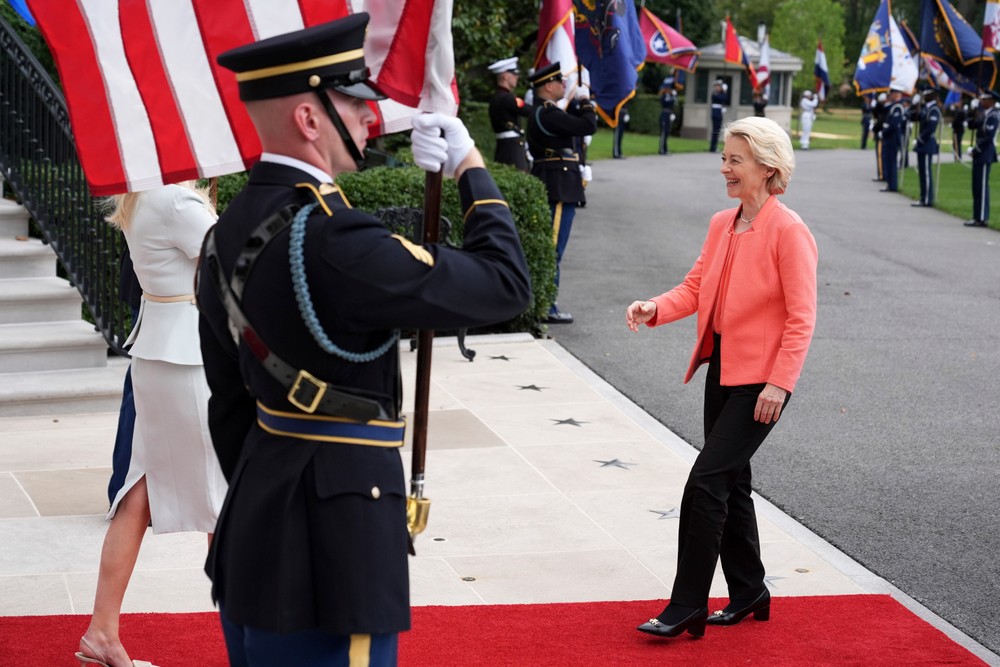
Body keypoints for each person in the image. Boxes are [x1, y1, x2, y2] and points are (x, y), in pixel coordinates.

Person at [197, 14, 531, 666]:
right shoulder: (335, 237)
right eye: (354, 103)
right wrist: (469, 165)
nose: (370, 119)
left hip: (256, 531)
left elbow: (228, 399)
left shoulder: (226, 228)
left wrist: (272, 493)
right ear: (308, 118)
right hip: (335, 550)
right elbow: (505, 282)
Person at [626, 116, 817, 640]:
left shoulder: (789, 230)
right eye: (725, 158)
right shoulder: (721, 224)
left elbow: (802, 317)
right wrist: (654, 307)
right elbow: (694, 287)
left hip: (763, 382)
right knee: (732, 483)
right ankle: (750, 589)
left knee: (706, 483)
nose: (725, 168)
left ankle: (687, 603)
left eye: (735, 159)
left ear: (767, 166)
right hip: (723, 368)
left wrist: (780, 383)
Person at [76, 182, 226, 667]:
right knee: (226, 496)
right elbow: (235, 261)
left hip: (162, 353)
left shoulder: (145, 195)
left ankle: (102, 631)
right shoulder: (175, 200)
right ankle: (250, 638)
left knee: (138, 490)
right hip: (188, 360)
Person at [526, 61, 598, 324]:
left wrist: (577, 103)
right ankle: (546, 306)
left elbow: (571, 122)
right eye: (560, 81)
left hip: (558, 181)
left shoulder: (547, 113)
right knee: (553, 248)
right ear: (548, 85)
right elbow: (587, 126)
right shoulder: (547, 113)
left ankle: (544, 302)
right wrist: (586, 101)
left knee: (552, 246)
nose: (564, 84)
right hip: (558, 184)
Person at [487, 56, 531, 172]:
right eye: (514, 74)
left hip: (505, 147)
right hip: (512, 150)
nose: (517, 77)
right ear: (505, 76)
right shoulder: (507, 98)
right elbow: (528, 111)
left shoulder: (497, 96)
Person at [965, 90, 1000, 227]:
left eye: (983, 100)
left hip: (985, 154)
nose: (981, 102)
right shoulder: (985, 114)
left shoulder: (994, 115)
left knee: (982, 186)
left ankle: (981, 218)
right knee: (976, 186)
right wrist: (973, 111)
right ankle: (976, 216)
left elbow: (988, 137)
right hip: (980, 154)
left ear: (991, 100)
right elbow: (972, 125)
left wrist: (975, 149)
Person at [912, 88, 941, 208]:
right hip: (923, 143)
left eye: (926, 94)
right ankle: (923, 197)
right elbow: (914, 117)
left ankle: (928, 199)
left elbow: (930, 128)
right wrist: (914, 105)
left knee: (926, 172)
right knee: (922, 172)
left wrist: (920, 139)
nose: (924, 96)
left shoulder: (934, 109)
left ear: (932, 95)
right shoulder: (925, 107)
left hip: (927, 142)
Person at [879, 87, 907, 193]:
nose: (889, 96)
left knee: (891, 162)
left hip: (893, 138)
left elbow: (894, 124)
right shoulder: (892, 107)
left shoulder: (898, 107)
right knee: (887, 161)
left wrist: (885, 130)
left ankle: (893, 184)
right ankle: (890, 183)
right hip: (888, 138)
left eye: (891, 94)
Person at [709, 80, 729, 152]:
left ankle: (713, 147)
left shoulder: (719, 93)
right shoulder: (715, 93)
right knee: (715, 131)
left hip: (719, 113)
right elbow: (722, 98)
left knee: (717, 130)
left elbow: (725, 99)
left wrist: (724, 91)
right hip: (716, 113)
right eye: (718, 86)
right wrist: (724, 91)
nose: (719, 88)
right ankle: (713, 147)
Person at [659, 77, 677, 155]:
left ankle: (665, 149)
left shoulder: (672, 96)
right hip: (665, 114)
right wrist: (672, 97)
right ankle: (662, 149)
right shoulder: (664, 95)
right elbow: (666, 102)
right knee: (663, 133)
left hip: (669, 114)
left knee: (667, 132)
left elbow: (674, 105)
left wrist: (674, 96)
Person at [872, 92, 888, 180]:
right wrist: (875, 105)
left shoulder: (887, 108)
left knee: (880, 155)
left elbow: (881, 119)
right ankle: (881, 174)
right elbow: (876, 114)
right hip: (880, 132)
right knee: (880, 155)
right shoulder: (881, 107)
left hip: (882, 132)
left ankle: (882, 175)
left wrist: (875, 129)